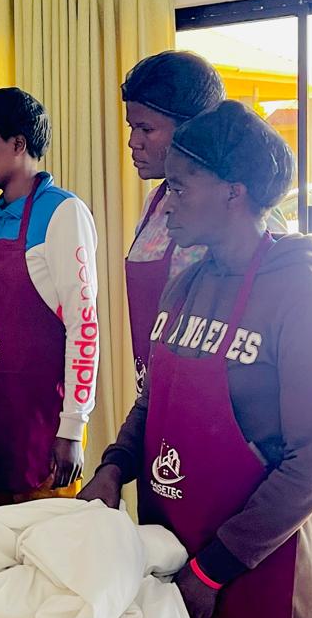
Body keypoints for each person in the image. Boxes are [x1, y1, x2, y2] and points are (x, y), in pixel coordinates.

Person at [80, 100, 312, 618]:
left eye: (180, 187)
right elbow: (153, 400)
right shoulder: (186, 288)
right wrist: (114, 467)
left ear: (234, 192)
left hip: (260, 564)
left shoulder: (304, 298)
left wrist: (215, 568)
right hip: (175, 549)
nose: (166, 204)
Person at [0, 87, 98, 506]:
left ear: (18, 144)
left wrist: (72, 428)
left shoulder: (63, 212)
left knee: (46, 538)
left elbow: (83, 325)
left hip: (41, 425)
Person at [122, 51, 288, 393]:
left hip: (218, 400)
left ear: (192, 129)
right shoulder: (155, 204)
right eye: (132, 127)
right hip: (158, 394)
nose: (133, 142)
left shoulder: (249, 213)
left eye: (146, 129)